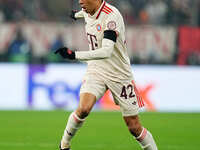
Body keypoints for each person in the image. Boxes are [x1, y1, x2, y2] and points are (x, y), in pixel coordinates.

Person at [55, 0, 158, 150]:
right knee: (83, 109)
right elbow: (84, 13)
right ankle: (64, 145)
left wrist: (74, 55)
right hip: (96, 68)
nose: (80, 1)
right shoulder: (87, 10)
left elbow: (106, 51)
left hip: (119, 74)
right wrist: (75, 15)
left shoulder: (112, 17)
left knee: (134, 126)